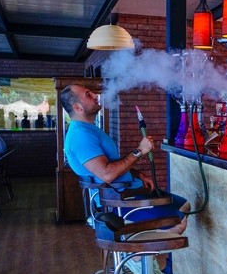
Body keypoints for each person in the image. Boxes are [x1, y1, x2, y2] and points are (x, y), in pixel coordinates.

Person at [61, 84, 188, 233]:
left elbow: (111, 163)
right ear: (77, 107)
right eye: (88, 95)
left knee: (184, 206)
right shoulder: (81, 136)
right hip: (118, 203)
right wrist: (140, 151)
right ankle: (138, 243)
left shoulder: (90, 129)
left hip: (129, 192)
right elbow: (107, 174)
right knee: (178, 223)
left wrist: (138, 174)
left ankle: (145, 240)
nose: (95, 95)